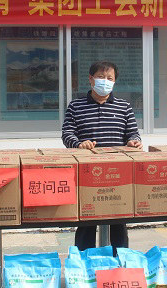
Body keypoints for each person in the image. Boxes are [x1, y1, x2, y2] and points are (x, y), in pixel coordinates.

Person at [62, 61, 142, 253]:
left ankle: (119, 260)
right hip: (88, 174)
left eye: (109, 78)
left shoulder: (124, 107)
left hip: (117, 174)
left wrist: (134, 141)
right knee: (86, 222)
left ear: (114, 82)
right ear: (91, 79)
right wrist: (79, 144)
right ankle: (84, 262)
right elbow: (67, 133)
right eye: (100, 77)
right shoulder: (76, 106)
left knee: (118, 222)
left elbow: (133, 133)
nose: (105, 81)